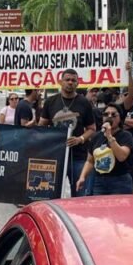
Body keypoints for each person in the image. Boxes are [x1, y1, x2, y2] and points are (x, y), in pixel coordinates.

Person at [38, 69, 98, 197]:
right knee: (51, 195)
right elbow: (41, 126)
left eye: (73, 80)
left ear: (77, 83)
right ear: (61, 82)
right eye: (67, 80)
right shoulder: (51, 102)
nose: (70, 83)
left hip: (78, 157)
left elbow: (92, 128)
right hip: (55, 157)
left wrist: (80, 139)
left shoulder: (84, 102)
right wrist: (50, 138)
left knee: (80, 195)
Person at [78, 103, 133, 195]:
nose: (109, 116)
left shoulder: (125, 136)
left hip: (120, 181)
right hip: (99, 181)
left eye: (113, 114)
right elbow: (90, 161)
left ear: (120, 118)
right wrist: (82, 176)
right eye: (106, 114)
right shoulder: (96, 137)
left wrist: (109, 136)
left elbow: (122, 156)